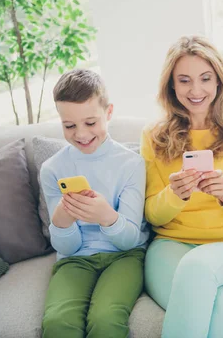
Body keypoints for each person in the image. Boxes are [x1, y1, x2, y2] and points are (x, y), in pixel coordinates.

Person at [141, 36, 223, 338]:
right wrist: (175, 194)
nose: (196, 91)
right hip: (170, 246)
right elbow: (153, 214)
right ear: (171, 86)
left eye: (205, 79)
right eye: (184, 81)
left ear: (219, 81)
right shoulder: (154, 136)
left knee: (197, 268)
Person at [40, 69, 149, 337]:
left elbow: (128, 239)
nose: (81, 134)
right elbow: (67, 246)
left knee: (106, 319)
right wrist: (62, 222)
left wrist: (106, 217)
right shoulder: (52, 169)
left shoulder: (132, 164)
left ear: (108, 113)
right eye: (69, 126)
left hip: (125, 256)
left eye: (90, 123)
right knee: (57, 322)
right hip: (75, 260)